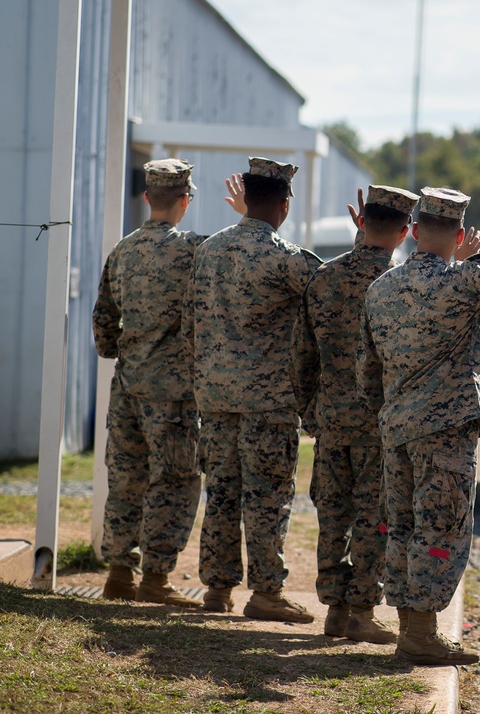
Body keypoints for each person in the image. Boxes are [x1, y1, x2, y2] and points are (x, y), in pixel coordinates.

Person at [357, 144, 480, 665]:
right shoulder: (465, 282)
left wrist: (390, 411)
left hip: (396, 430)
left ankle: (410, 628)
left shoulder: (380, 290)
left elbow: (366, 370)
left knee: (402, 527)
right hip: (444, 432)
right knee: (440, 529)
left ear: (415, 230)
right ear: (460, 237)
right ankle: (419, 635)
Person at [185, 156, 321, 622]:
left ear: (246, 199)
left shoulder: (208, 250)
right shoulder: (285, 258)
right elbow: (328, 298)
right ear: (284, 205)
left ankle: (217, 590)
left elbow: (192, 322)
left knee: (221, 493)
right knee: (267, 497)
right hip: (268, 401)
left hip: (216, 396)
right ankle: (266, 593)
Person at [93, 158, 232, 607]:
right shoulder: (197, 250)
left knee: (127, 479)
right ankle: (154, 577)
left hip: (128, 386)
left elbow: (102, 326)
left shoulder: (123, 250)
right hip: (174, 394)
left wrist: (126, 351)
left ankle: (118, 573)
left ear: (148, 197)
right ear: (186, 201)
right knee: (173, 481)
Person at [300, 184, 421, 644]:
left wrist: (309, 409)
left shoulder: (324, 278)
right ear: (407, 231)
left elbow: (302, 354)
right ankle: (362, 611)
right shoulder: (397, 285)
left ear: (361, 223)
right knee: (373, 517)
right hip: (379, 422)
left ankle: (334, 608)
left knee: (332, 513)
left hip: (330, 418)